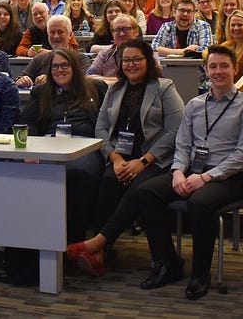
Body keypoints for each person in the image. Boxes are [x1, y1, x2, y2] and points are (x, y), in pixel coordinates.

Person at [135, 44, 243, 299]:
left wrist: (205, 177)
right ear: (205, 70)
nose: (218, 71)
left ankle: (200, 274)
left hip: (229, 175)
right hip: (192, 170)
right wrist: (179, 171)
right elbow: (182, 143)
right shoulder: (194, 104)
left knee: (200, 203)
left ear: (235, 69)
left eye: (224, 66)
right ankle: (168, 263)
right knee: (145, 193)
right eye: (213, 66)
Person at [66, 40, 183, 277]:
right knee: (109, 180)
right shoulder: (115, 89)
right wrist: (115, 158)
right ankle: (102, 251)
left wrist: (144, 161)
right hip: (122, 157)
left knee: (139, 189)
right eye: (126, 60)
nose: (131, 64)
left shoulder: (164, 87)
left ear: (148, 61)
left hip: (156, 160)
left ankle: (98, 244)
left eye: (137, 59)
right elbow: (101, 129)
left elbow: (175, 130)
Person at [20, 49, 108, 243]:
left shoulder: (95, 88)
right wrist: (31, 151)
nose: (60, 70)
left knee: (79, 173)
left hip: (85, 146)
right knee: (32, 172)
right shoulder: (41, 92)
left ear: (74, 67)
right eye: (55, 67)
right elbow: (28, 123)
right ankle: (39, 238)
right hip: (49, 144)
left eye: (64, 65)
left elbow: (107, 122)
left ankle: (73, 240)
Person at [16, 16, 90, 88]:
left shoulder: (81, 59)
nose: (56, 36)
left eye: (60, 32)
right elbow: (20, 78)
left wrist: (52, 80)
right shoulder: (39, 59)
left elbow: (85, 82)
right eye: (52, 32)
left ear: (70, 35)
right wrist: (22, 80)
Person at [87, 14, 144, 79]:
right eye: (117, 30)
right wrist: (120, 82)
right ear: (112, 33)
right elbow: (89, 77)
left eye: (126, 29)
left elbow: (153, 80)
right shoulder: (105, 54)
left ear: (136, 32)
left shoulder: (147, 53)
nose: (121, 34)